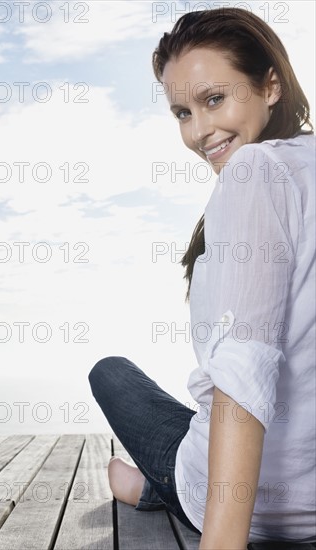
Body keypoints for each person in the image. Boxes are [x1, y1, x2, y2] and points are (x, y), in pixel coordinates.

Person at [88, 7, 315, 548]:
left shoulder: (252, 172)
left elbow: (243, 371)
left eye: (214, 99)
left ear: (271, 85)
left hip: (253, 509)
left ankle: (158, 488)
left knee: (111, 373)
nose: (199, 131)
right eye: (182, 113)